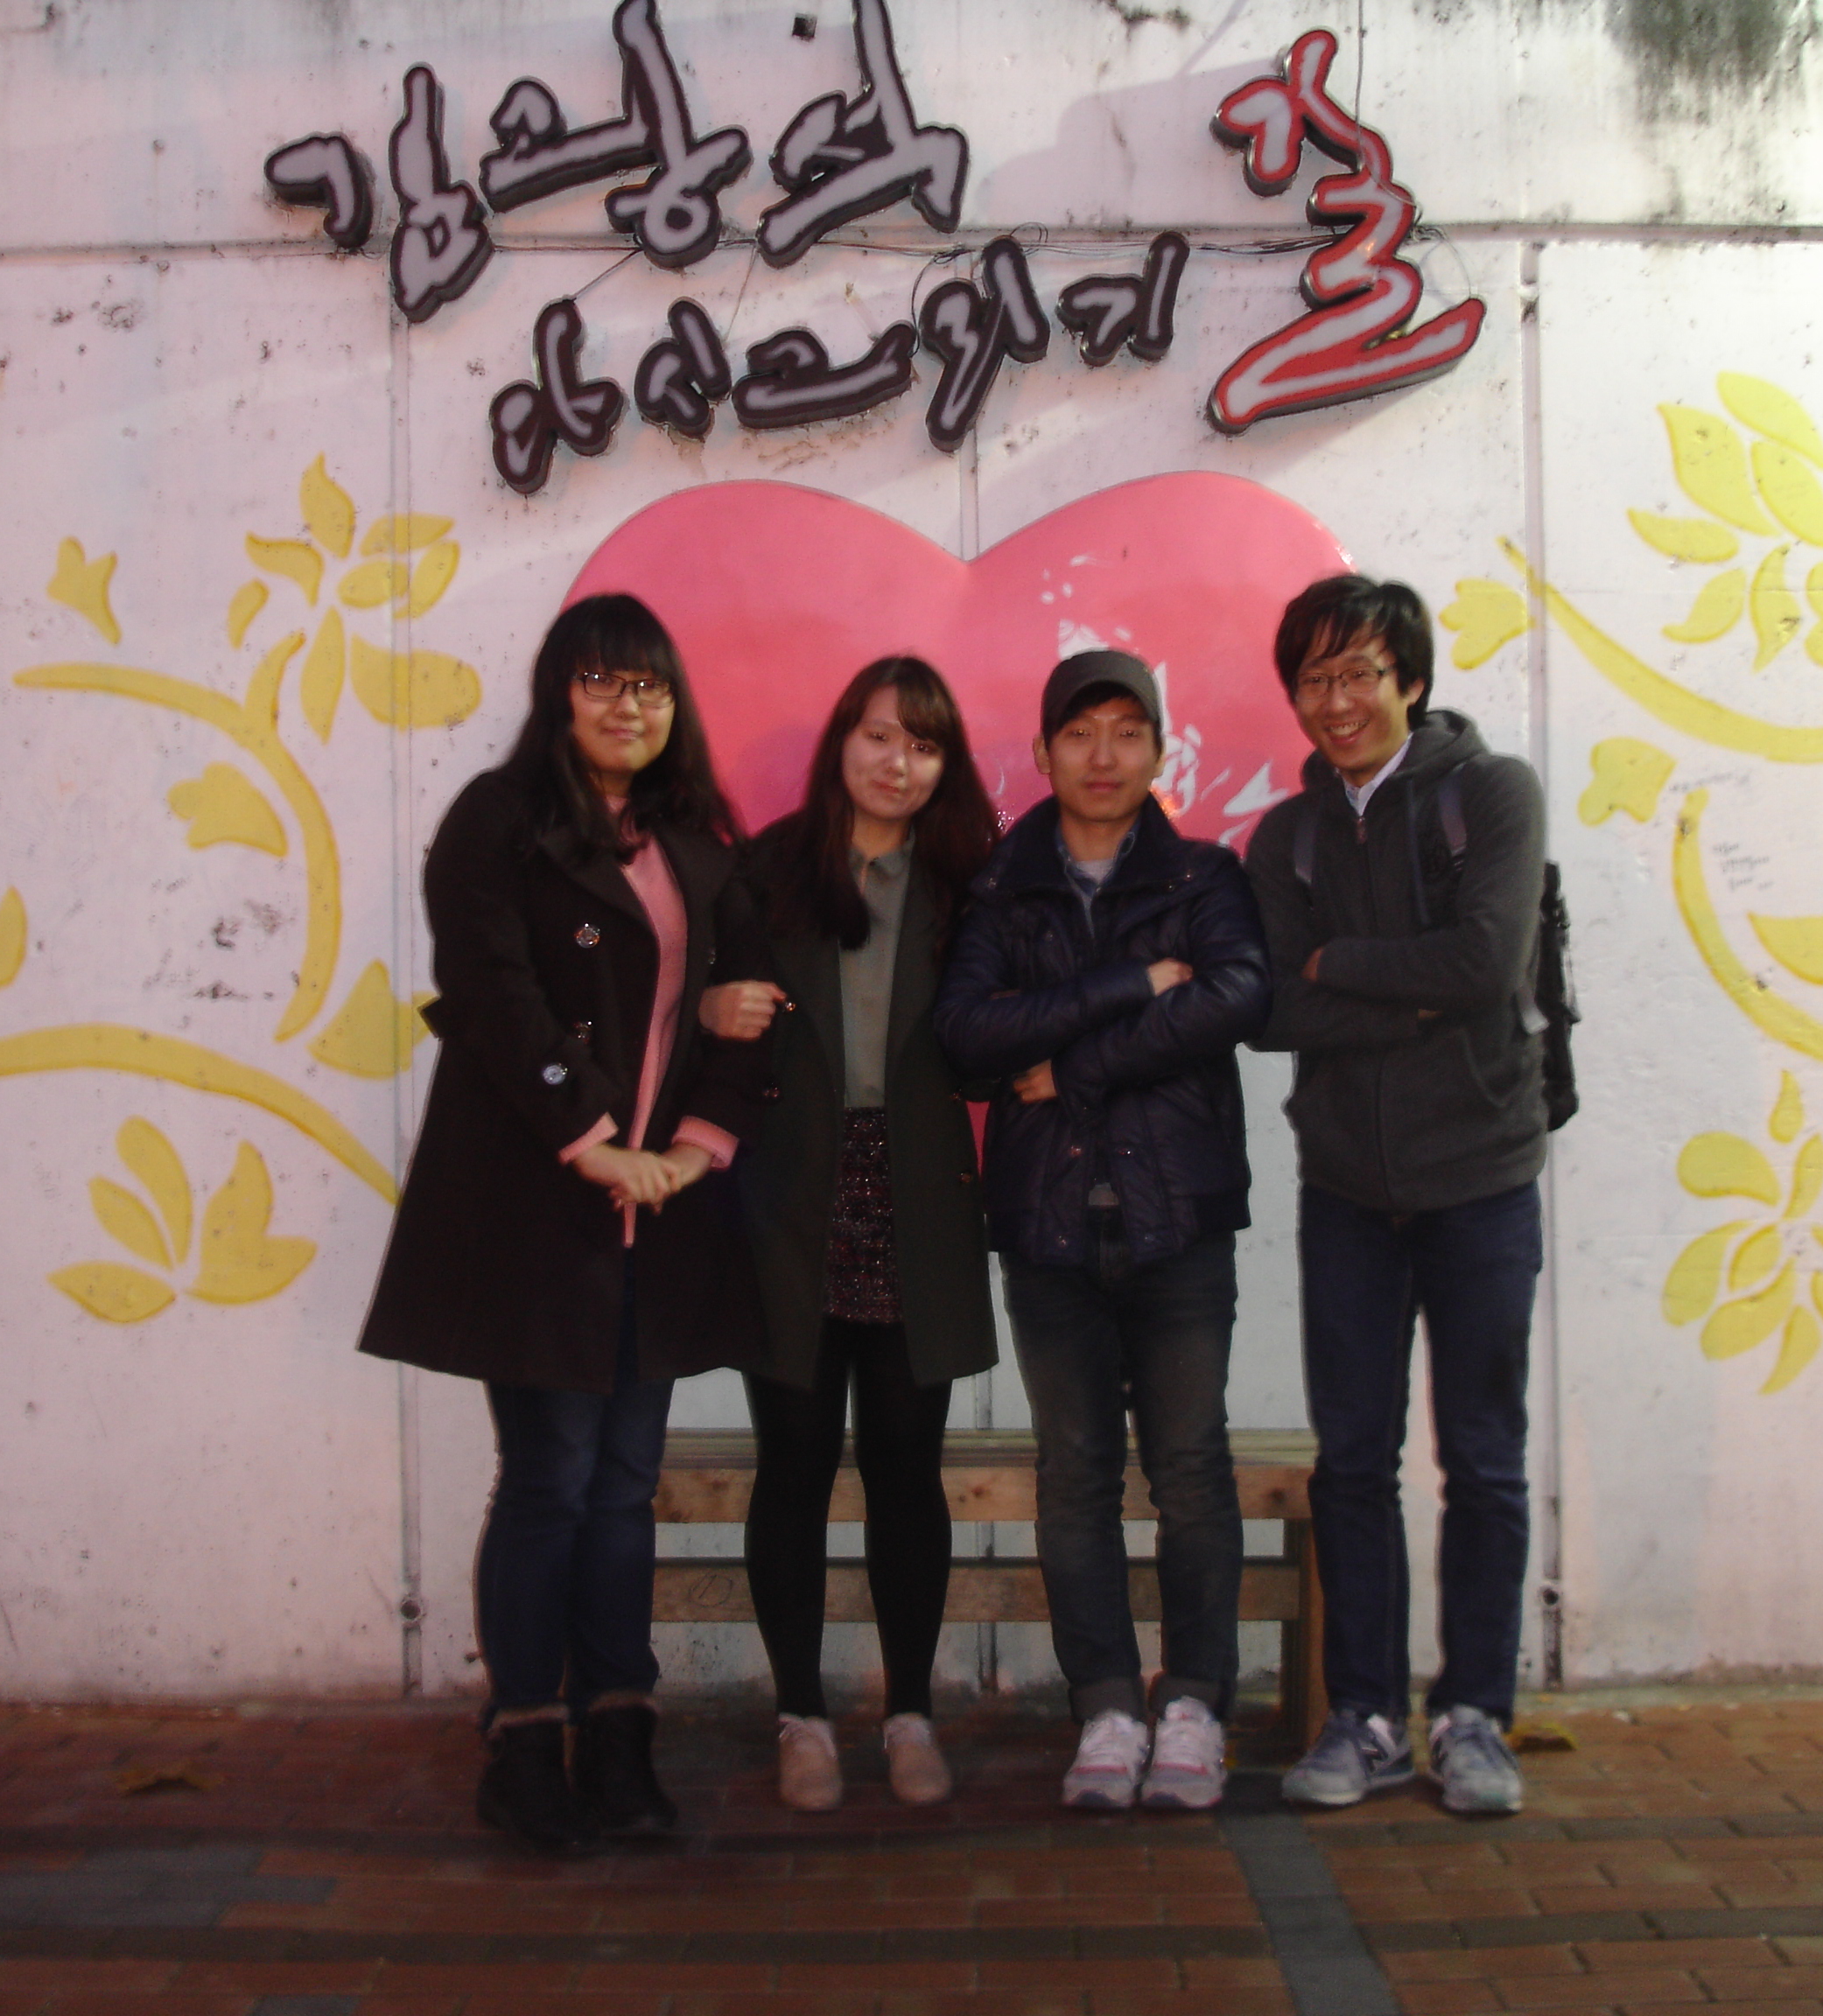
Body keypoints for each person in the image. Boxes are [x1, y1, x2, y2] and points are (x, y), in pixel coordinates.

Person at [357, 592, 769, 1856]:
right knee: (550, 1480)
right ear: (558, 692)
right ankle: (528, 1740)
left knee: (626, 1487)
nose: (627, 706)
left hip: (662, 1214)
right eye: (601, 682)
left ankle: (623, 1733)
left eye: (649, 686)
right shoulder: (499, 822)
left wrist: (691, 1150)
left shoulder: (697, 840)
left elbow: (741, 1007)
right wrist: (595, 1143)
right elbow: (492, 993)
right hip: (541, 1208)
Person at [933, 649, 1270, 1812]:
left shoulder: (1206, 876)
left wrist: (1070, 1067)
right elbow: (966, 1037)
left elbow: (1236, 996)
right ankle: (1109, 1709)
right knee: (1074, 1477)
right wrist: (1132, 986)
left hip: (1180, 1224)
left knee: (1192, 1470)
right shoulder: (998, 890)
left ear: (1159, 750)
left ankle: (1196, 1705)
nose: (1104, 755)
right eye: (1081, 733)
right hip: (1049, 1229)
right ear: (1042, 753)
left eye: (1129, 731)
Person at [1244, 574, 1548, 1816]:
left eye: (1361, 673)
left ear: (1410, 679)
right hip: (1348, 1193)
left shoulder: (1491, 794)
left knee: (1482, 1459)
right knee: (1354, 1462)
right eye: (1314, 679)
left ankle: (1474, 1716)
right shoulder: (1286, 838)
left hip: (1481, 1181)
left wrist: (1343, 964)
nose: (1338, 701)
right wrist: (1400, 993)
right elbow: (1275, 1008)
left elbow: (1485, 962)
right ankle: (1363, 1717)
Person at [698, 658, 1002, 1812]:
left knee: (907, 1466)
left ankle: (910, 1711)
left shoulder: (971, 882)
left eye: (923, 745)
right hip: (790, 1195)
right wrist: (707, 1011)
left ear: (944, 765)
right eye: (878, 736)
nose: (897, 763)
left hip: (916, 1193)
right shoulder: (770, 869)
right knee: (793, 1460)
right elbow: (697, 1007)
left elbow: (1007, 1017)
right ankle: (802, 1717)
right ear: (841, 742)